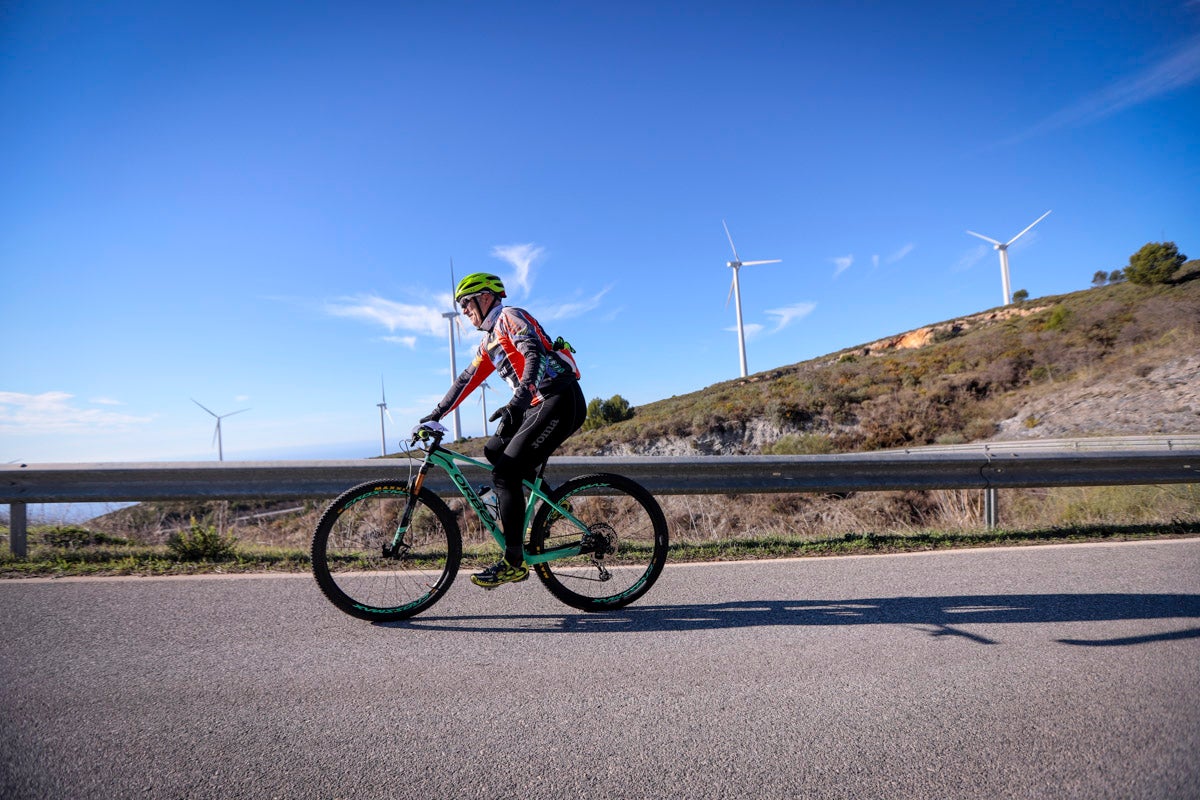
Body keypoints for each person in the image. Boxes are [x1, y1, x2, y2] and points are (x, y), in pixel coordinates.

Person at [421, 272, 586, 589]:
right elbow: (464, 382)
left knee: (504, 474)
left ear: (485, 297)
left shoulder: (509, 317)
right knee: (493, 451)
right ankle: (554, 505)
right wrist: (434, 414)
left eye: (466, 304)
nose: (464, 311)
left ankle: (513, 562)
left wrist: (517, 402)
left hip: (558, 399)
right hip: (537, 403)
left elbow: (534, 354)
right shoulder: (489, 340)